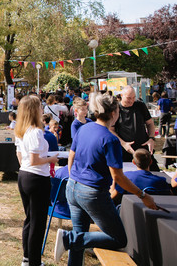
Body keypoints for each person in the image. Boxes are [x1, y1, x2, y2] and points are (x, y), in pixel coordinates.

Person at [54, 93, 157, 266]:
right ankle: (69, 238)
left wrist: (74, 177)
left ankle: (72, 239)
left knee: (80, 239)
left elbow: (71, 156)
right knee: (118, 239)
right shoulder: (110, 139)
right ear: (114, 113)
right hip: (91, 192)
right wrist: (142, 195)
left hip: (73, 187)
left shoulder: (84, 128)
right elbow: (118, 177)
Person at [15, 95, 58, 266]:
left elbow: (22, 156)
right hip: (36, 178)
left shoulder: (22, 131)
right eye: (40, 107)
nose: (43, 110)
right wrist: (50, 159)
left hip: (26, 175)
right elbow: (34, 160)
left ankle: (28, 258)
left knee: (30, 219)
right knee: (37, 223)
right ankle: (34, 261)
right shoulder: (35, 132)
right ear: (34, 110)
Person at [113, 86, 158, 169]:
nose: (131, 100)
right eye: (128, 98)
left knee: (153, 171)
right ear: (121, 95)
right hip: (125, 149)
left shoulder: (140, 105)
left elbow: (150, 124)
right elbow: (110, 129)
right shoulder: (116, 109)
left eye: (133, 97)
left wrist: (151, 138)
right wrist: (123, 143)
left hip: (142, 147)